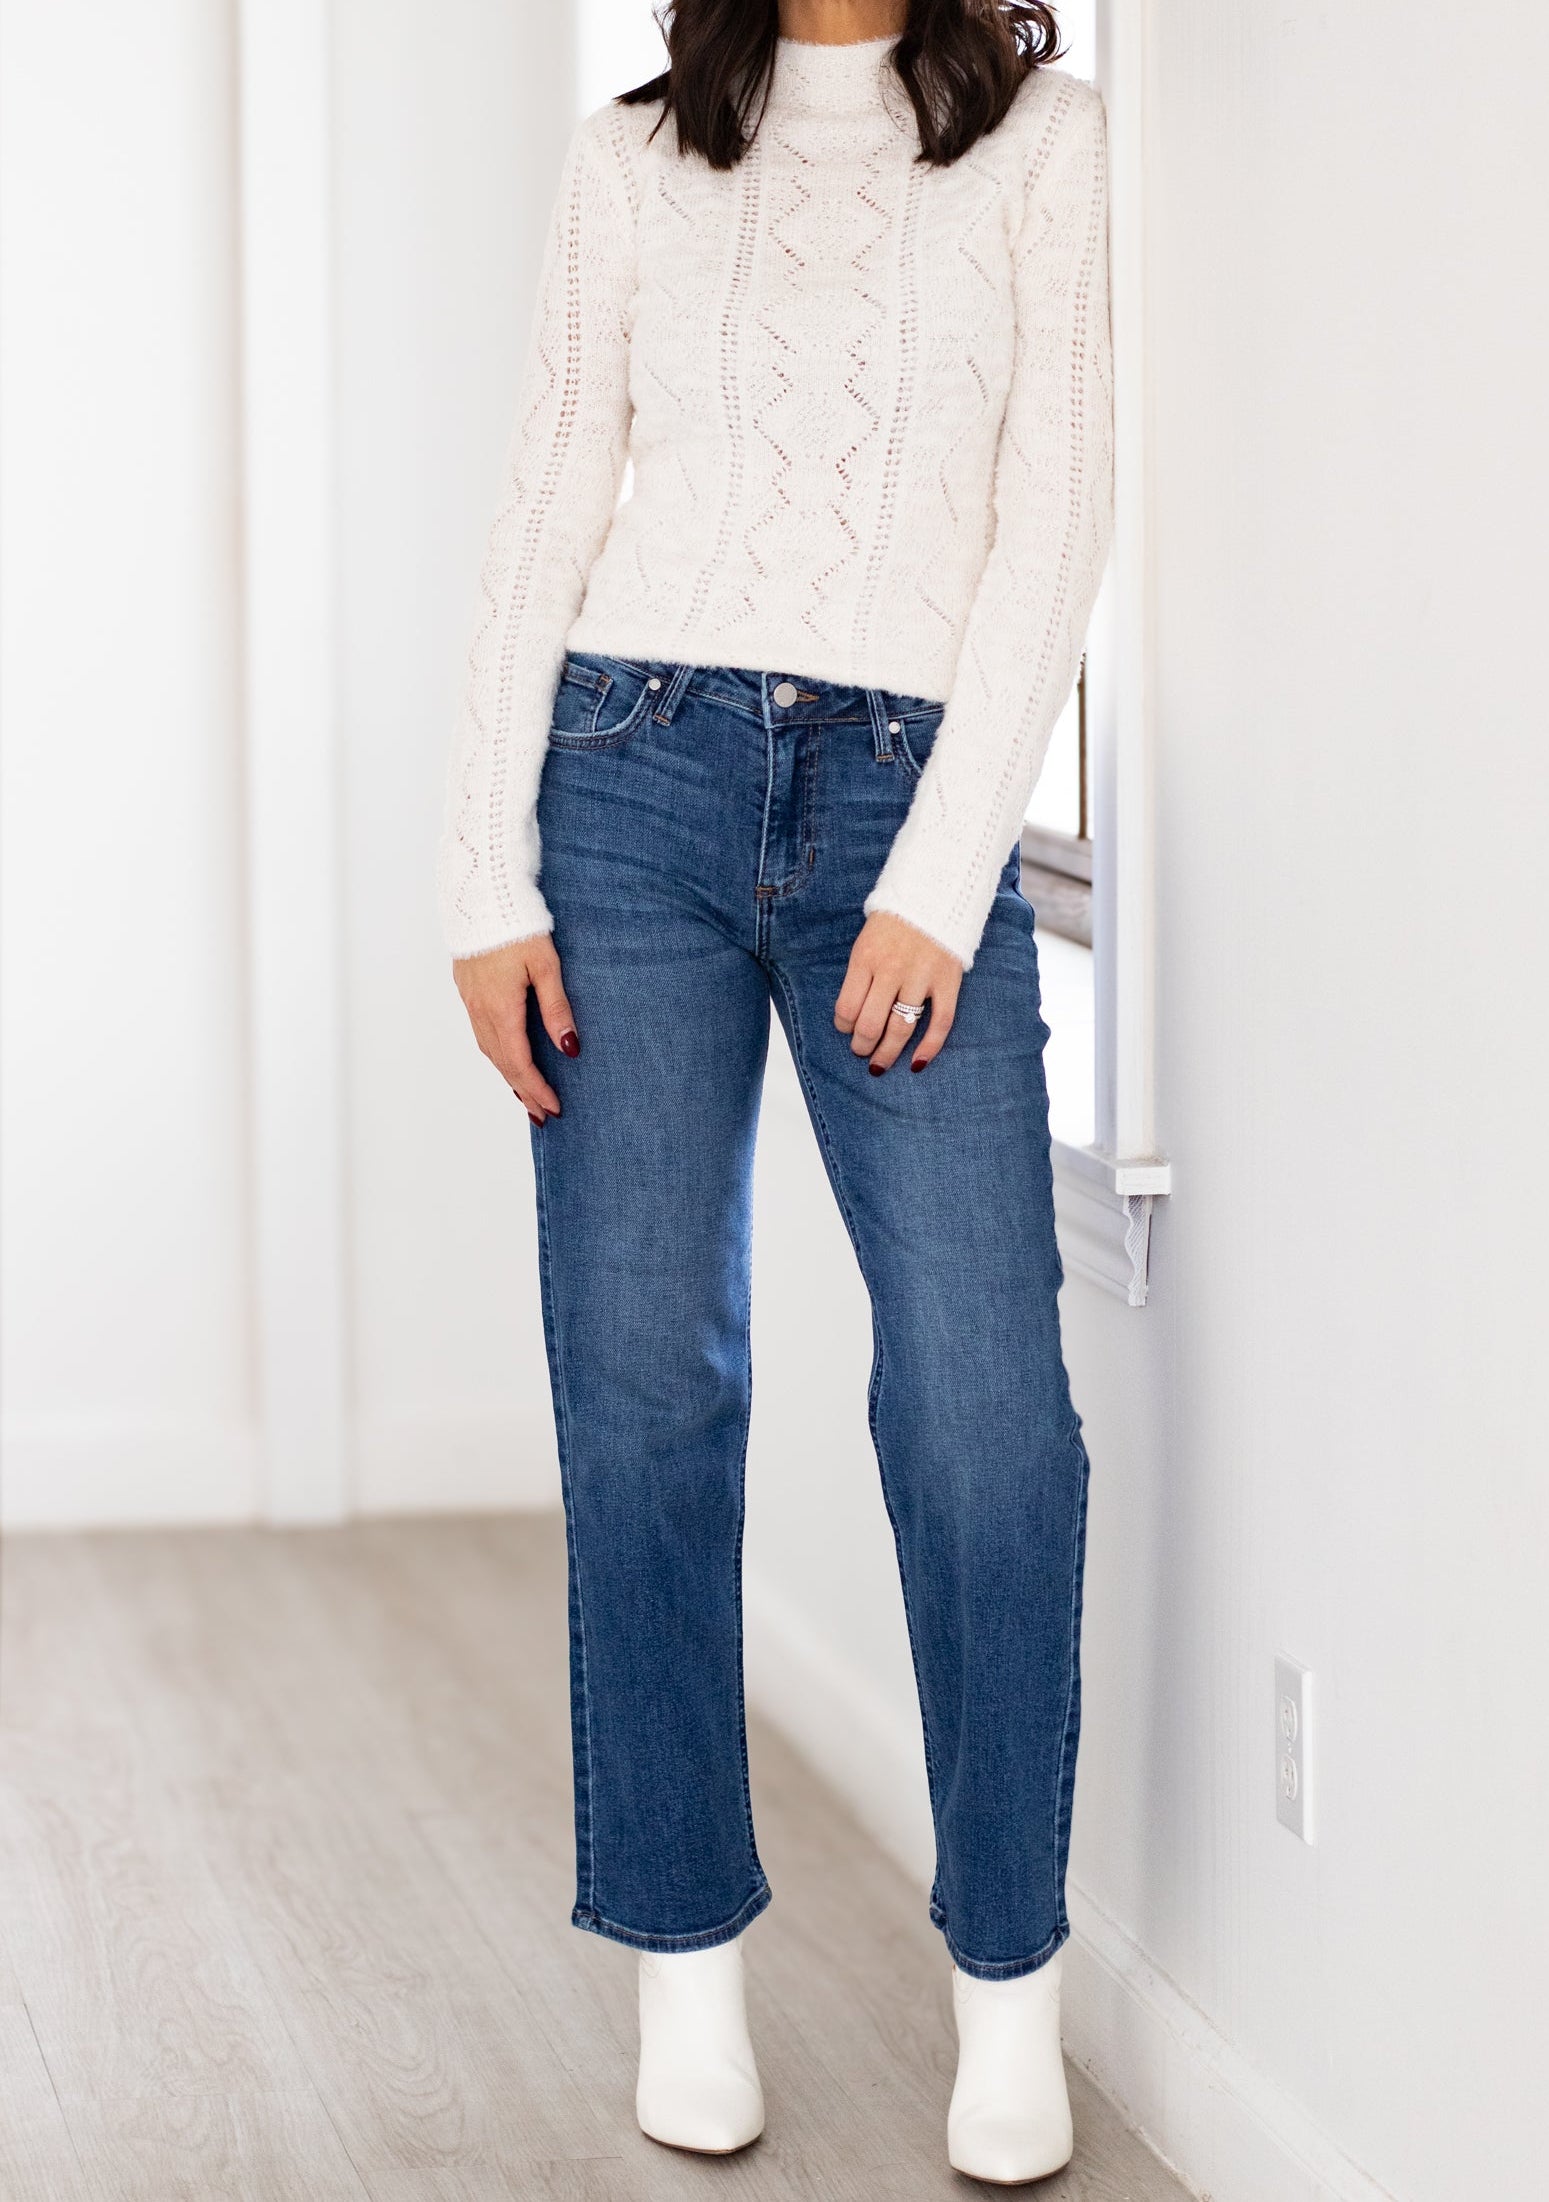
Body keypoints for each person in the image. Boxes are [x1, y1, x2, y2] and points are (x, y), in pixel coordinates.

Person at [438, 0, 1112, 2179]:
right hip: (624, 782)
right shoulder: (632, 158)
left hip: (908, 808)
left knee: (985, 1417)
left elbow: (1055, 516)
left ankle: (1006, 1989)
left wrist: (940, 873)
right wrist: (480, 875)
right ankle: (682, 1966)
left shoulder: (1046, 144)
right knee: (645, 1385)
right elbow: (549, 499)